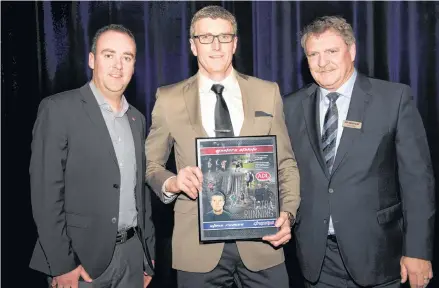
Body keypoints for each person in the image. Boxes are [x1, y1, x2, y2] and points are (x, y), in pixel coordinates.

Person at [145, 5, 300, 288]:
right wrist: (173, 182)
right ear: (193, 45)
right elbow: (152, 166)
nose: (215, 46)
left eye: (224, 37)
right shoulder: (168, 99)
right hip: (196, 246)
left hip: (263, 242)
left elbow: (285, 163)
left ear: (235, 43)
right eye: (205, 37)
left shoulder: (268, 92)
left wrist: (287, 213)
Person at [283, 16, 435, 288]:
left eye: (331, 51)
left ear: (351, 51)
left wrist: (418, 251)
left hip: (379, 256)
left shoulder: (393, 99)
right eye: (313, 54)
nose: (322, 62)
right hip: (317, 260)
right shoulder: (290, 107)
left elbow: (417, 181)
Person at [29, 24, 155, 288]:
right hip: (80, 262)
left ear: (134, 65)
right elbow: (45, 195)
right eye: (109, 55)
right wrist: (62, 264)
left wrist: (147, 257)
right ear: (91, 59)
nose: (118, 65)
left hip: (132, 257)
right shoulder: (58, 109)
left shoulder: (137, 119)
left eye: (127, 57)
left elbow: (140, 195)